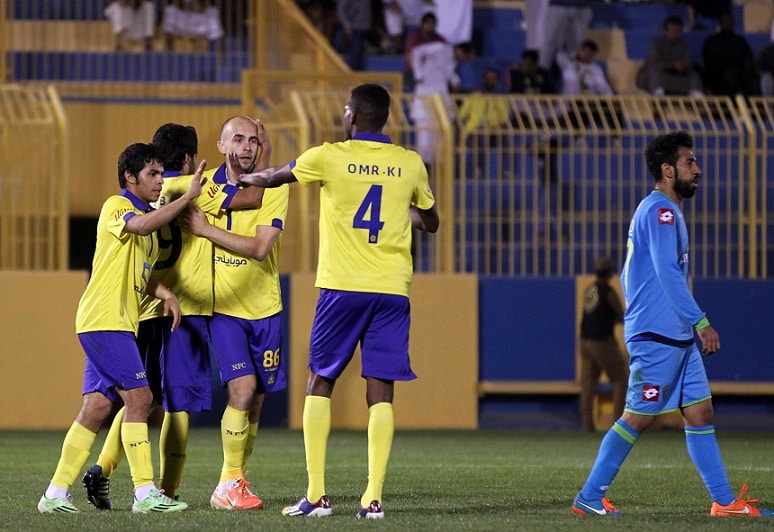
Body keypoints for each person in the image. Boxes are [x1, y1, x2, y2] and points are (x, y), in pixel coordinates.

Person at [237, 83, 440, 519]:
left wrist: (242, 175)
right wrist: (395, 208)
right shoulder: (409, 163)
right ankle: (373, 499)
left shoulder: (328, 155)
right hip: (391, 290)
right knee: (381, 389)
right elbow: (431, 221)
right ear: (384, 118)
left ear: (352, 114)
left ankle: (316, 495)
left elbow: (272, 178)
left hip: (342, 287)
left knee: (320, 381)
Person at [572, 131, 774, 518]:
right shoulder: (660, 211)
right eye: (689, 163)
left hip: (675, 336)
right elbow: (666, 271)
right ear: (668, 170)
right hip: (658, 334)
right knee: (640, 416)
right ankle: (590, 495)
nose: (698, 170)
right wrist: (701, 322)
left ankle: (724, 502)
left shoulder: (665, 210)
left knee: (700, 414)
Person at [81, 121, 268, 510]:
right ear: (187, 158)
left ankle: (104, 465)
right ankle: (164, 489)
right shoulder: (188, 190)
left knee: (139, 397)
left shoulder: (148, 194)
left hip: (143, 307)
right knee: (173, 403)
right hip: (180, 307)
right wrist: (261, 151)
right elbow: (250, 199)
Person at [37, 142, 205, 514]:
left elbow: (142, 278)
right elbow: (143, 223)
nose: (160, 181)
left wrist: (167, 294)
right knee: (141, 399)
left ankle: (54, 494)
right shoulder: (118, 207)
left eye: (162, 173)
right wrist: (188, 196)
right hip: (104, 321)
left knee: (96, 409)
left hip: (114, 324)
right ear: (130, 178)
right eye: (152, 174)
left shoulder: (143, 225)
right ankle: (145, 493)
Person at [176, 116, 289, 511]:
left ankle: (237, 474)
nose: (246, 147)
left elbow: (260, 249)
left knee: (256, 398)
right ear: (221, 146)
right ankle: (228, 483)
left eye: (253, 140)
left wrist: (207, 230)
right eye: (237, 139)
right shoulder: (202, 187)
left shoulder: (274, 188)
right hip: (223, 308)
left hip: (266, 308)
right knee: (241, 390)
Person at [578, 256, 628, 432]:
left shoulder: (589, 289)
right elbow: (621, 315)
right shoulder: (608, 291)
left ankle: (587, 425)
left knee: (589, 384)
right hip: (602, 342)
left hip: (584, 341)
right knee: (620, 379)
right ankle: (619, 425)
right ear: (610, 273)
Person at [636, 16, 704, 97]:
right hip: (659, 75)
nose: (674, 33)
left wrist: (683, 66)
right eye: (672, 30)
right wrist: (674, 65)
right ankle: (658, 97)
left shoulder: (684, 45)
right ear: (665, 31)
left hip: (676, 75)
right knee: (654, 71)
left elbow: (687, 62)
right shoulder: (656, 43)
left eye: (677, 31)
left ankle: (698, 98)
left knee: (694, 75)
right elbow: (654, 63)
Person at [701, 11, 757, 97]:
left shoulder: (740, 41)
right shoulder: (711, 41)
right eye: (725, 21)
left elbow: (748, 59)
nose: (728, 23)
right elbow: (708, 61)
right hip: (717, 75)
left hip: (739, 74)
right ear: (720, 23)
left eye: (730, 21)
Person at [539, 0, 594, 73]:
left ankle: (571, 78)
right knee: (549, 42)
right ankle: (541, 75)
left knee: (575, 46)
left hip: (583, 7)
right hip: (558, 4)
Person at [403, 11, 446, 92]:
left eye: (433, 23)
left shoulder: (440, 40)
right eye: (428, 23)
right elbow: (410, 58)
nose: (430, 26)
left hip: (434, 74)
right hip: (413, 72)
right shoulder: (414, 38)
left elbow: (444, 59)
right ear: (422, 24)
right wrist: (420, 73)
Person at [336, 0, 373, 71]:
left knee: (361, 55)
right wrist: (347, 25)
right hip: (354, 28)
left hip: (365, 28)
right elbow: (341, 9)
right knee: (354, 54)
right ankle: (350, 75)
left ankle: (360, 76)